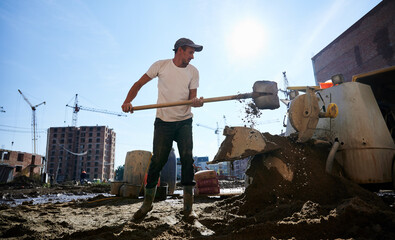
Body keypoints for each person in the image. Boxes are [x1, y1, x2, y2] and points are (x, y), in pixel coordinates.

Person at [122, 38, 204, 220]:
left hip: (184, 121)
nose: (192, 57)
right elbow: (138, 84)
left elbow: (193, 99)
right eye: (190, 52)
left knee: (187, 159)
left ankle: (189, 208)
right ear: (180, 50)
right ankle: (147, 204)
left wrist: (196, 103)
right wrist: (128, 101)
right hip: (163, 122)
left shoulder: (193, 71)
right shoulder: (161, 66)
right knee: (157, 161)